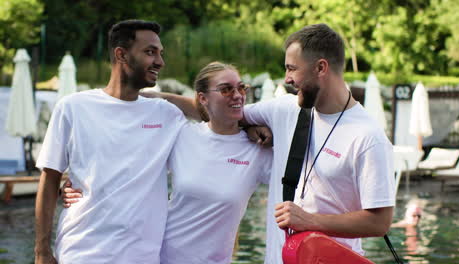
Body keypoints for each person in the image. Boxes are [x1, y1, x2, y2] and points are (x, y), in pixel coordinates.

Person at [128, 23, 396, 263]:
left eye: (292, 69)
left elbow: (380, 222)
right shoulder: (284, 110)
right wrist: (152, 96)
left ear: (321, 68)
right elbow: (222, 111)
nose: (287, 79)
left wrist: (311, 221)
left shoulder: (368, 136)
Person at [61, 61, 273, 264]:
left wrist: (253, 125)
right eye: (226, 89)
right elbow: (126, 161)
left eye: (241, 88)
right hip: (157, 255)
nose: (237, 95)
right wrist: (77, 185)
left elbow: (299, 185)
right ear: (203, 98)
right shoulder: (182, 133)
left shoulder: (258, 150)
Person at [34, 19, 187, 264]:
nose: (160, 61)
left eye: (160, 53)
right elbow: (50, 178)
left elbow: (214, 112)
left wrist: (161, 95)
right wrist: (41, 252)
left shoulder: (166, 114)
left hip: (142, 257)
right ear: (121, 54)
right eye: (150, 52)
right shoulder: (73, 107)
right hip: (81, 252)